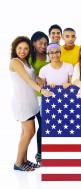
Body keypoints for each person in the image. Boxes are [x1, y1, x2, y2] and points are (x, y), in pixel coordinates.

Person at [9, 36, 53, 171]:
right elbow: (27, 79)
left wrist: (42, 80)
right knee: (29, 132)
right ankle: (17, 163)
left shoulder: (26, 62)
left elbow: (33, 76)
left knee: (25, 133)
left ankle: (24, 160)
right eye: (20, 48)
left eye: (26, 48)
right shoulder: (15, 62)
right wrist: (41, 90)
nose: (23, 51)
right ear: (15, 49)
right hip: (22, 102)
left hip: (30, 102)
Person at [29, 31, 50, 164]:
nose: (43, 46)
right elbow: (27, 74)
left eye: (45, 43)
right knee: (42, 125)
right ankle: (40, 154)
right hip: (35, 96)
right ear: (34, 43)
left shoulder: (49, 56)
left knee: (47, 124)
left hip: (48, 95)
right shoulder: (30, 57)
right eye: (40, 43)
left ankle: (49, 151)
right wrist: (37, 79)